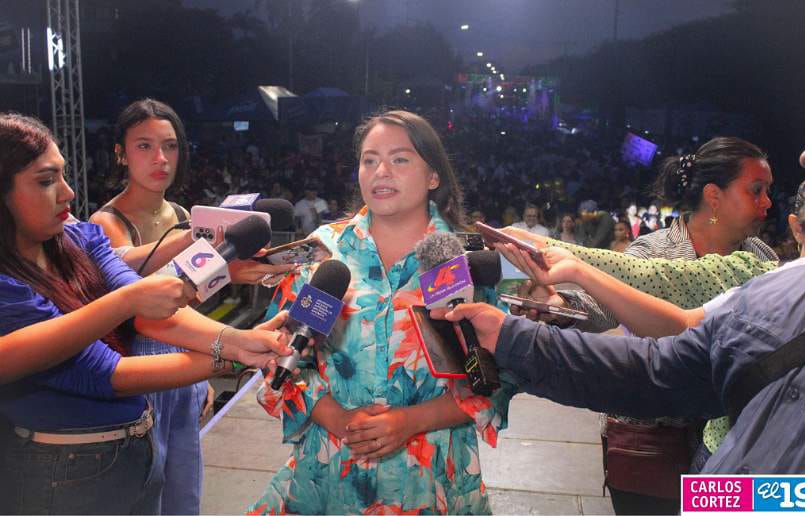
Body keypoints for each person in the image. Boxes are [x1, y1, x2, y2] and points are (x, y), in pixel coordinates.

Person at [432, 120, 805, 477]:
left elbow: (665, 306)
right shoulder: (660, 250)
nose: (768, 202)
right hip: (663, 441)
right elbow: (659, 328)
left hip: (730, 452)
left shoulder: (761, 264)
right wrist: (553, 309)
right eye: (756, 190)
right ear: (713, 196)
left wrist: (568, 263)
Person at [0, 113, 292, 514]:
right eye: (46, 181)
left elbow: (146, 308)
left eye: (63, 175)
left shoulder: (77, 238)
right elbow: (107, 372)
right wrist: (234, 356)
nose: (68, 192)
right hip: (64, 472)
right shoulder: (9, 285)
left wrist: (238, 340)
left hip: (135, 448)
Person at [249, 110, 516, 514]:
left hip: (431, 480)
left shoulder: (467, 261)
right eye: (369, 160)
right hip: (329, 473)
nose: (381, 171)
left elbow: (500, 375)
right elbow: (277, 353)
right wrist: (336, 418)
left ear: (433, 176)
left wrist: (412, 421)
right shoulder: (321, 252)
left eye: (400, 159)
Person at [88, 99, 294, 515]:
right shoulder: (105, 223)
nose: (160, 158)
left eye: (170, 146)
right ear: (120, 153)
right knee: (143, 499)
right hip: (140, 374)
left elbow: (188, 296)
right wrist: (195, 239)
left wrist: (236, 272)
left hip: (186, 364)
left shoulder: (183, 214)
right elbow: (133, 277)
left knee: (183, 498)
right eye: (144, 146)